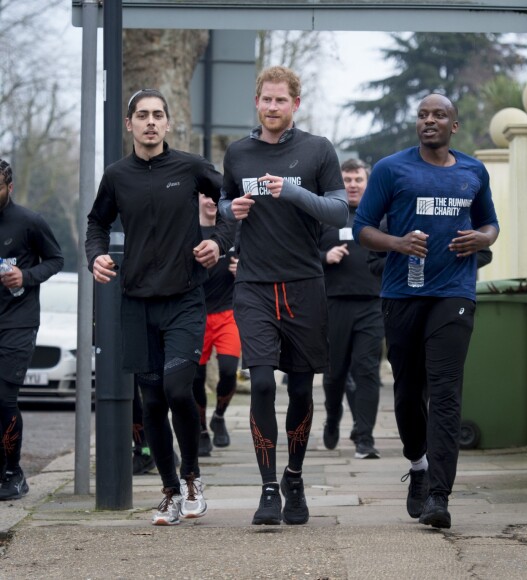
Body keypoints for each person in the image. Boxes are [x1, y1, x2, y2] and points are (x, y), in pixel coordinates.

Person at [85, 89, 232, 526]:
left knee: (176, 389)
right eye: (142, 115)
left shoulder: (190, 167)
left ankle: (192, 478)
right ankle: (169, 491)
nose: (150, 122)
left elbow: (230, 205)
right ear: (129, 124)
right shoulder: (117, 175)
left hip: (185, 297)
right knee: (150, 404)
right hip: (137, 301)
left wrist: (218, 243)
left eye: (158, 115)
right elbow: (97, 221)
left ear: (168, 124)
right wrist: (95, 254)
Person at [353, 93, 499, 529]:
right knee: (408, 391)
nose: (429, 121)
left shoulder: (473, 171)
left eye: (438, 115)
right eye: (422, 115)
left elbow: (490, 221)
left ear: (454, 125)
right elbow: (362, 227)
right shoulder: (391, 169)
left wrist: (484, 238)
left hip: (454, 292)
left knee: (447, 391)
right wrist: (396, 243)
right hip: (402, 294)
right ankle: (417, 464)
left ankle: (439, 494)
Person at [219, 66, 348, 526]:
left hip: (303, 285)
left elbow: (338, 206)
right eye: (266, 100)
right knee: (260, 382)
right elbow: (221, 202)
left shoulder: (317, 150)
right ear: (256, 102)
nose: (272, 107)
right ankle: (268, 487)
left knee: (298, 387)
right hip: (253, 284)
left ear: (296, 104)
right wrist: (228, 208)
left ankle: (294, 476)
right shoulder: (238, 153)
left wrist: (294, 192)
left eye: (281, 100)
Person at [0, 159, 64, 500]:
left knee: (4, 398)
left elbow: (56, 260)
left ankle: (14, 471)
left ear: (9, 188)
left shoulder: (28, 222)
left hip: (18, 321)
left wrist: (25, 276)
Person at [319, 158, 383, 459]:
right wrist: (324, 256)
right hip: (333, 305)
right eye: (347, 179)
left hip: (372, 303)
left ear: (366, 182)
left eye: (358, 179)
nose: (353, 184)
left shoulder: (379, 217)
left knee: (368, 372)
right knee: (334, 376)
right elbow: (302, 253)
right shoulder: (326, 216)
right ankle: (333, 416)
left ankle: (365, 438)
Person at [193, 194, 240, 457]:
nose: (211, 200)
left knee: (229, 371)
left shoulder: (232, 228)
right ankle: (201, 429)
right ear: (198, 199)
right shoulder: (189, 229)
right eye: (206, 196)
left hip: (227, 312)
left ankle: (219, 416)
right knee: (196, 379)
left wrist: (241, 269)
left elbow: (253, 261)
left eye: (216, 196)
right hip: (196, 314)